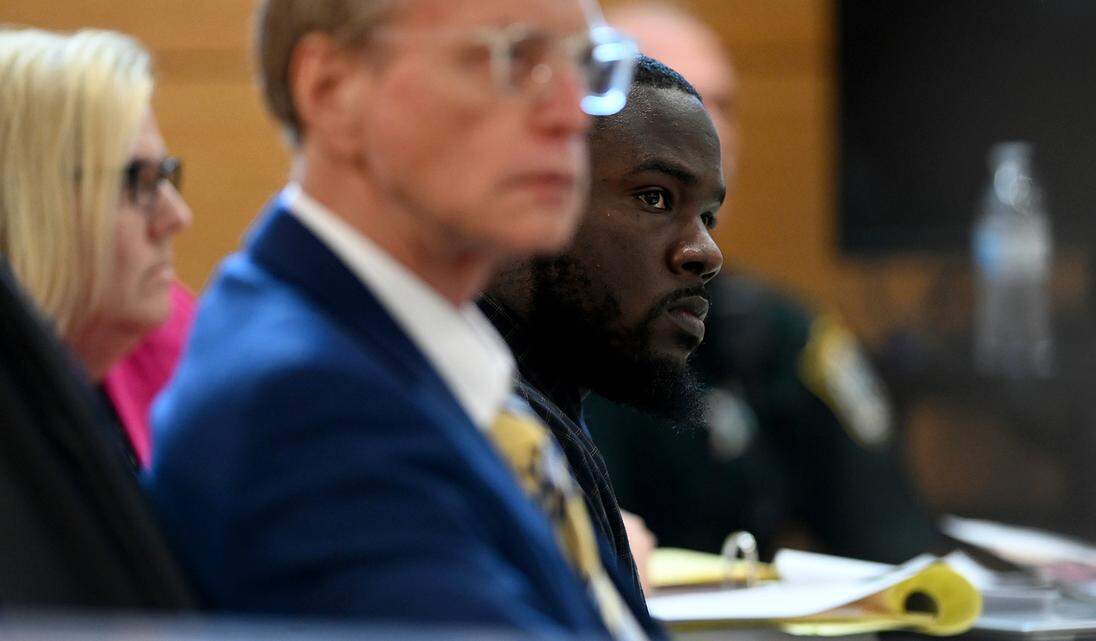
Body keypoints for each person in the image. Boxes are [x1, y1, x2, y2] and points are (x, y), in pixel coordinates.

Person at [144, 1, 659, 638]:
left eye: (585, 67)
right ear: (330, 91)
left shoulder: (397, 344)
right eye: (515, 58)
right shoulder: (305, 408)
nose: (569, 115)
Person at [583, 1, 943, 564]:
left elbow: (898, 554)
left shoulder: (776, 334)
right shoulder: (521, 330)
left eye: (721, 105)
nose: (707, 134)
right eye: (669, 101)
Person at [480, 54, 725, 590]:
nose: (706, 251)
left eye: (708, 216)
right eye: (655, 197)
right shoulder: (475, 417)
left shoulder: (542, 403)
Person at [0, 27, 194, 470]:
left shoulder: (172, 340)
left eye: (164, 176)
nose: (177, 217)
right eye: (140, 183)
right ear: (32, 205)